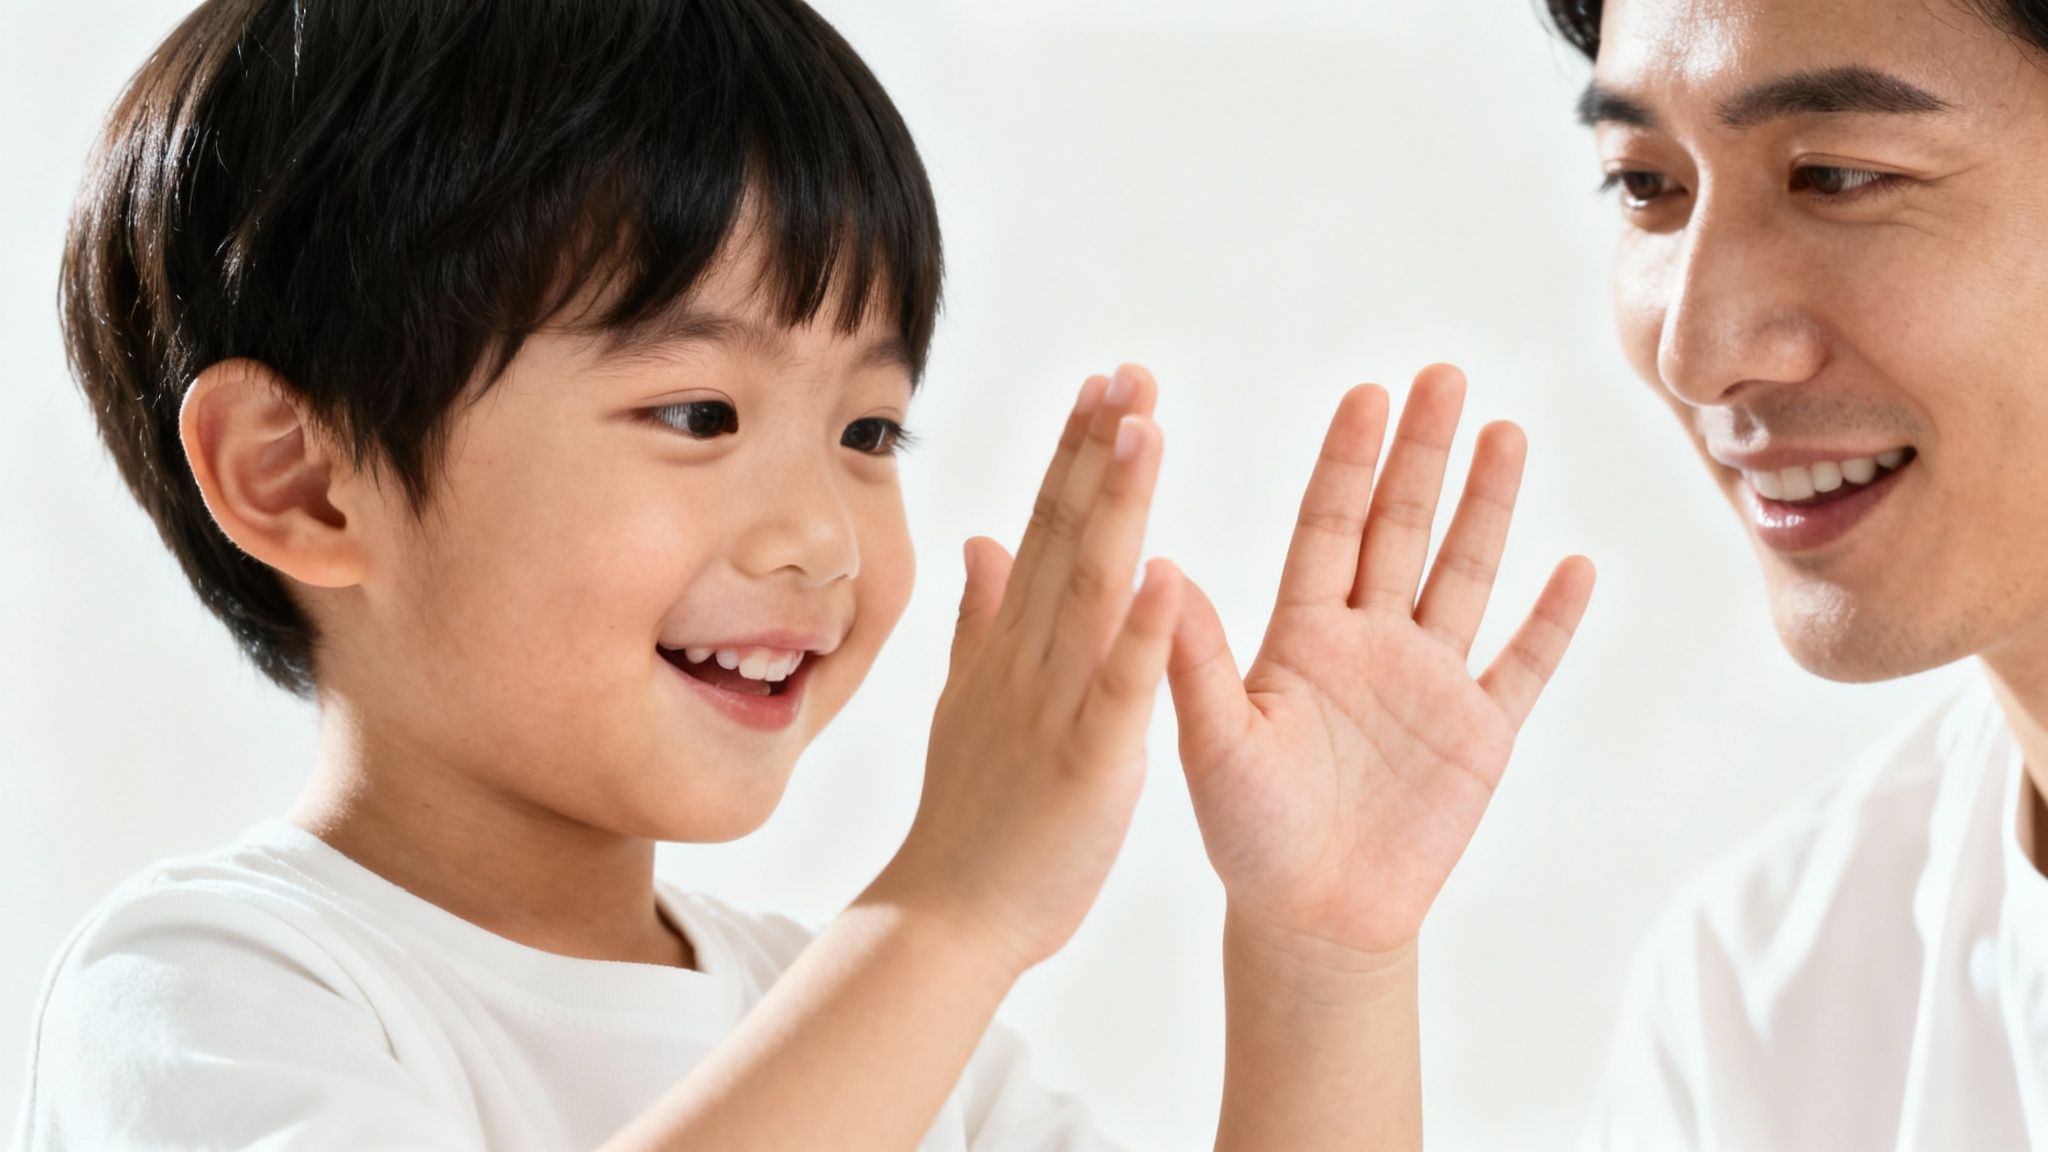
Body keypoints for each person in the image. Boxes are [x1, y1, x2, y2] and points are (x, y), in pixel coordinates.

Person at [11, 0, 1595, 1148]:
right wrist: (951, 912)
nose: (823, 537)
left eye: (869, 430)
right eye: (699, 412)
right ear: (298, 478)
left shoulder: (871, 1026)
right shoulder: (211, 991)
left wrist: (1326, 948)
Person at [1542, 0, 2048, 1146]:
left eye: (1832, 176)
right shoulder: (1757, 1009)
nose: (1696, 353)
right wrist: (1322, 966)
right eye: (1644, 185)